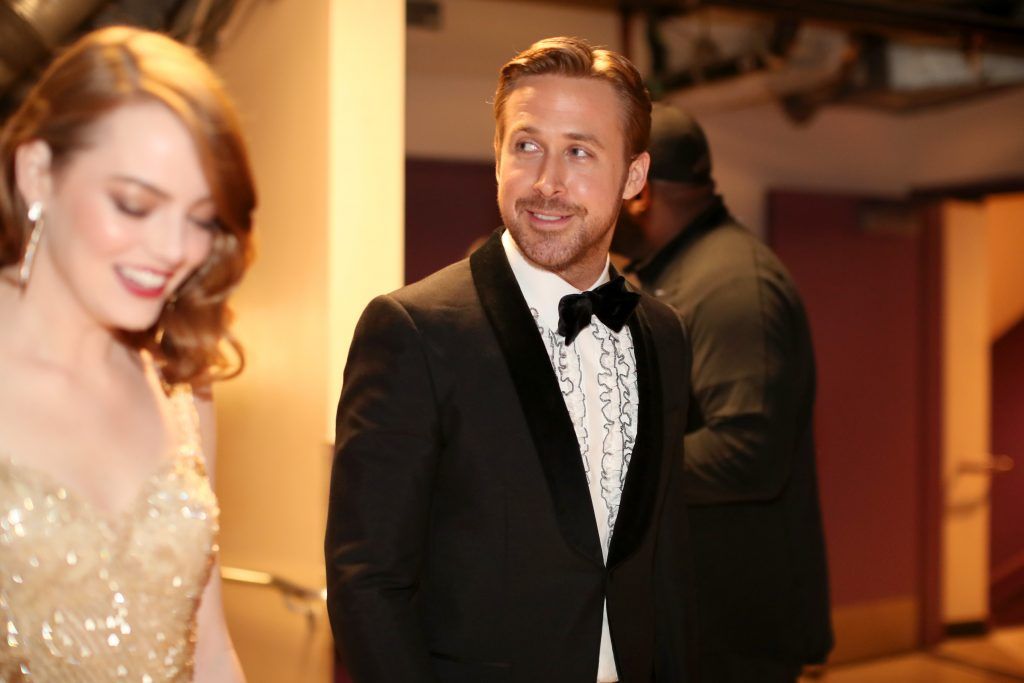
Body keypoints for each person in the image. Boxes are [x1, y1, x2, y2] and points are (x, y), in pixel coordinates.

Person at [326, 37, 697, 683]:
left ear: (634, 176)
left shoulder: (661, 332)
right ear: (497, 158)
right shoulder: (413, 329)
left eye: (579, 151)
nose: (547, 182)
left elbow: (663, 552)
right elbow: (368, 579)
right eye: (526, 146)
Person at [0, 26, 255, 682]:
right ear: (37, 174)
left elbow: (211, 648)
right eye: (135, 204)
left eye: (201, 218)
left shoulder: (182, 383)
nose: (174, 248)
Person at [615, 103, 833, 682]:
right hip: (693, 613)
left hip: (732, 631)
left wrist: (604, 470)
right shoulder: (667, 270)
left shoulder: (734, 286)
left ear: (638, 189)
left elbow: (747, 456)